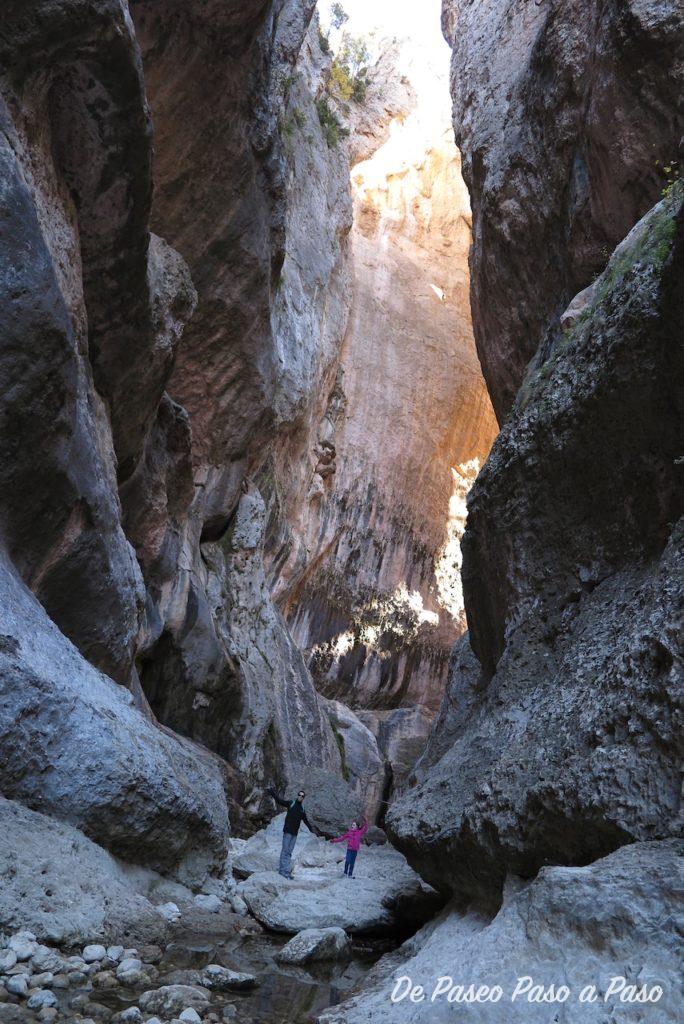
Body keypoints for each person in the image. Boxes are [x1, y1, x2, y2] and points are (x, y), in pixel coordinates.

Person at [266, 785, 316, 879]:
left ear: (303, 798)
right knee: (285, 851)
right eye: (299, 795)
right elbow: (280, 801)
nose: (300, 797)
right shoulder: (291, 803)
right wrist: (272, 793)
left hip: (294, 834)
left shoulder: (302, 809)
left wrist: (312, 830)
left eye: (302, 796)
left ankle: (286, 871)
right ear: (297, 795)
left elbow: (305, 820)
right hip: (288, 832)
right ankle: (282, 872)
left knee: (289, 852)